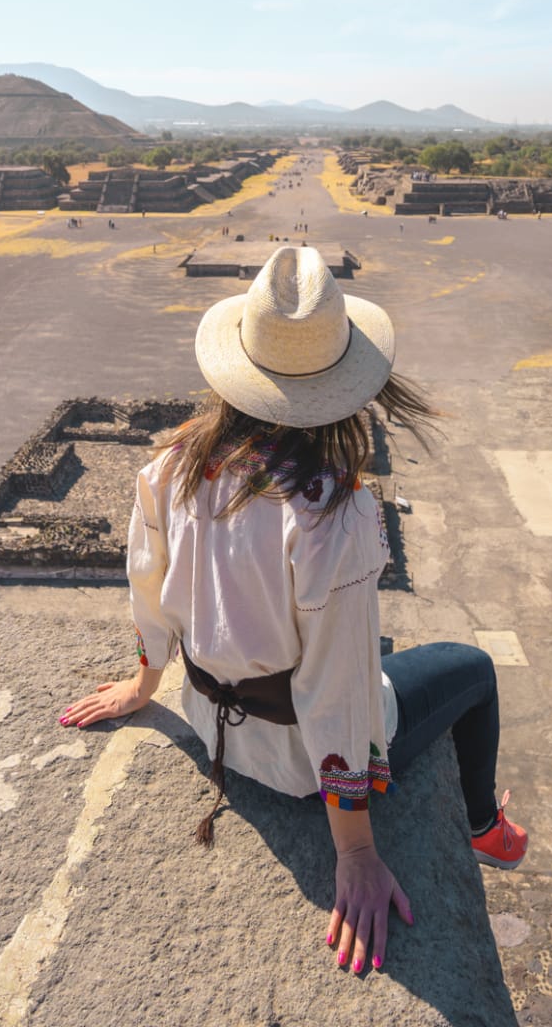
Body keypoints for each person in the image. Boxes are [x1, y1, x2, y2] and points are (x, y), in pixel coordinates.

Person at [62, 247, 527, 976]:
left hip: (204, 716)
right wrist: (358, 852)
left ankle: (478, 822)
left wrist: (143, 687)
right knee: (471, 668)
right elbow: (336, 693)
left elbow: (146, 589)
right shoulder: (330, 516)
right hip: (293, 765)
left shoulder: (173, 466)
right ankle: (481, 824)